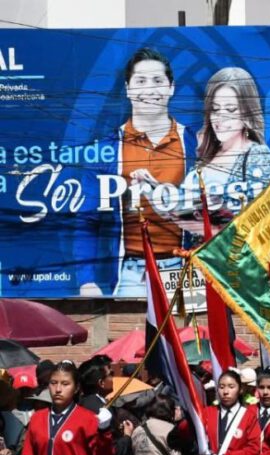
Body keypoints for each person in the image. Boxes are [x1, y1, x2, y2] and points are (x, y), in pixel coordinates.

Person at [112, 47, 199, 297]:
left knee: (184, 334)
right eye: (140, 81)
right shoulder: (109, 147)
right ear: (128, 89)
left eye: (158, 81)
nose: (149, 90)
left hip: (182, 266)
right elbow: (87, 220)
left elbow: (208, 211)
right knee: (135, 336)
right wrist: (86, 280)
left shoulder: (193, 143)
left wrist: (160, 196)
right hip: (129, 271)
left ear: (171, 87)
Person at [173, 67, 270, 237]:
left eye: (230, 110)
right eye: (215, 109)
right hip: (198, 259)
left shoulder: (257, 155)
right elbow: (185, 217)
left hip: (238, 260)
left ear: (247, 112)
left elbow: (269, 221)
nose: (220, 118)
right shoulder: (204, 158)